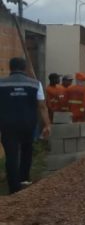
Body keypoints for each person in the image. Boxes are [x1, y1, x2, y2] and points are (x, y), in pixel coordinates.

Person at [0, 57, 50, 194]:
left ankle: (13, 187)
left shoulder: (1, 83)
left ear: (10, 68)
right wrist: (47, 125)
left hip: (7, 124)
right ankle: (24, 178)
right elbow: (42, 106)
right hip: (28, 124)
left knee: (11, 155)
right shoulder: (35, 84)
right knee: (27, 150)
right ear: (24, 68)